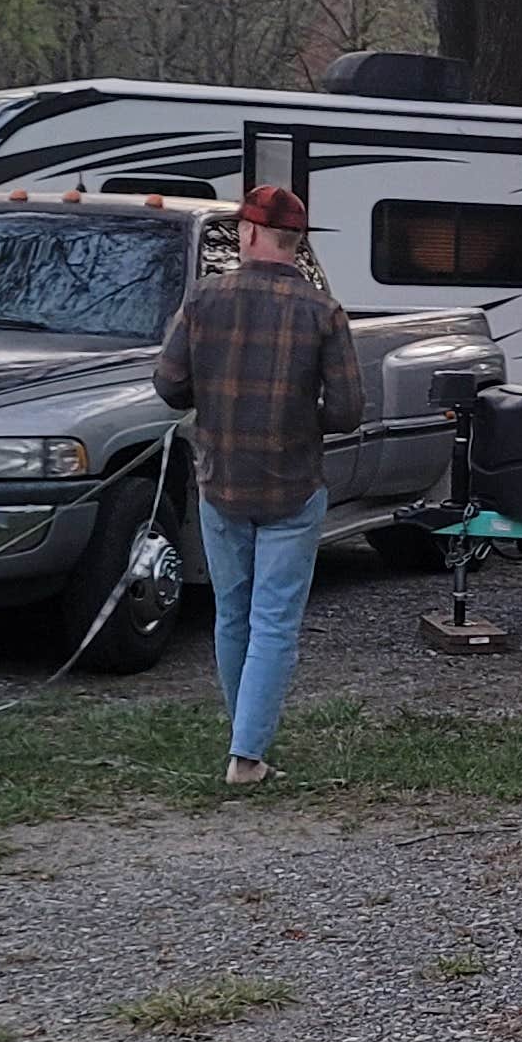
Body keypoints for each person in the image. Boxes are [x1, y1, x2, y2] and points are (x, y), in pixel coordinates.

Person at [154, 185, 363, 785]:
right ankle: (246, 755)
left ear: (247, 234)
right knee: (274, 621)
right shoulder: (324, 311)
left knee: (232, 614)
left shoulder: (204, 299)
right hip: (294, 484)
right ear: (296, 244)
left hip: (221, 481)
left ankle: (242, 736)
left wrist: (215, 398)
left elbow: (169, 387)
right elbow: (348, 410)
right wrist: (300, 416)